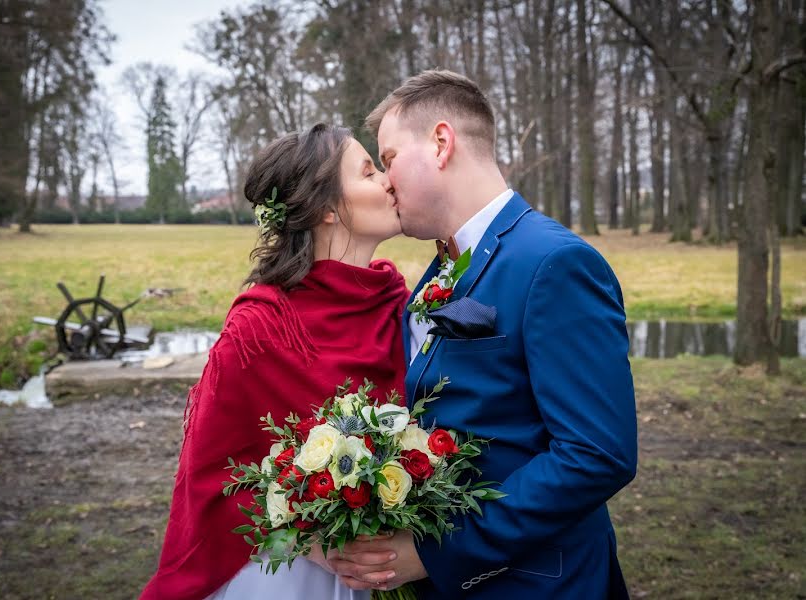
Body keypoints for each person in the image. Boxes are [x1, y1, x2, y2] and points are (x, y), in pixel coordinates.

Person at [327, 70, 638, 599]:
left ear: (442, 143)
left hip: (538, 585)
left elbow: (596, 454)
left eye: (390, 157)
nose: (384, 179)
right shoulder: (439, 270)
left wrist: (435, 551)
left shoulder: (554, 263)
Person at [139, 123, 409, 600]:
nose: (389, 179)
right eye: (369, 172)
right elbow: (213, 473)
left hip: (387, 571)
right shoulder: (259, 329)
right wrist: (312, 540)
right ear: (326, 208)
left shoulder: (399, 307)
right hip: (283, 572)